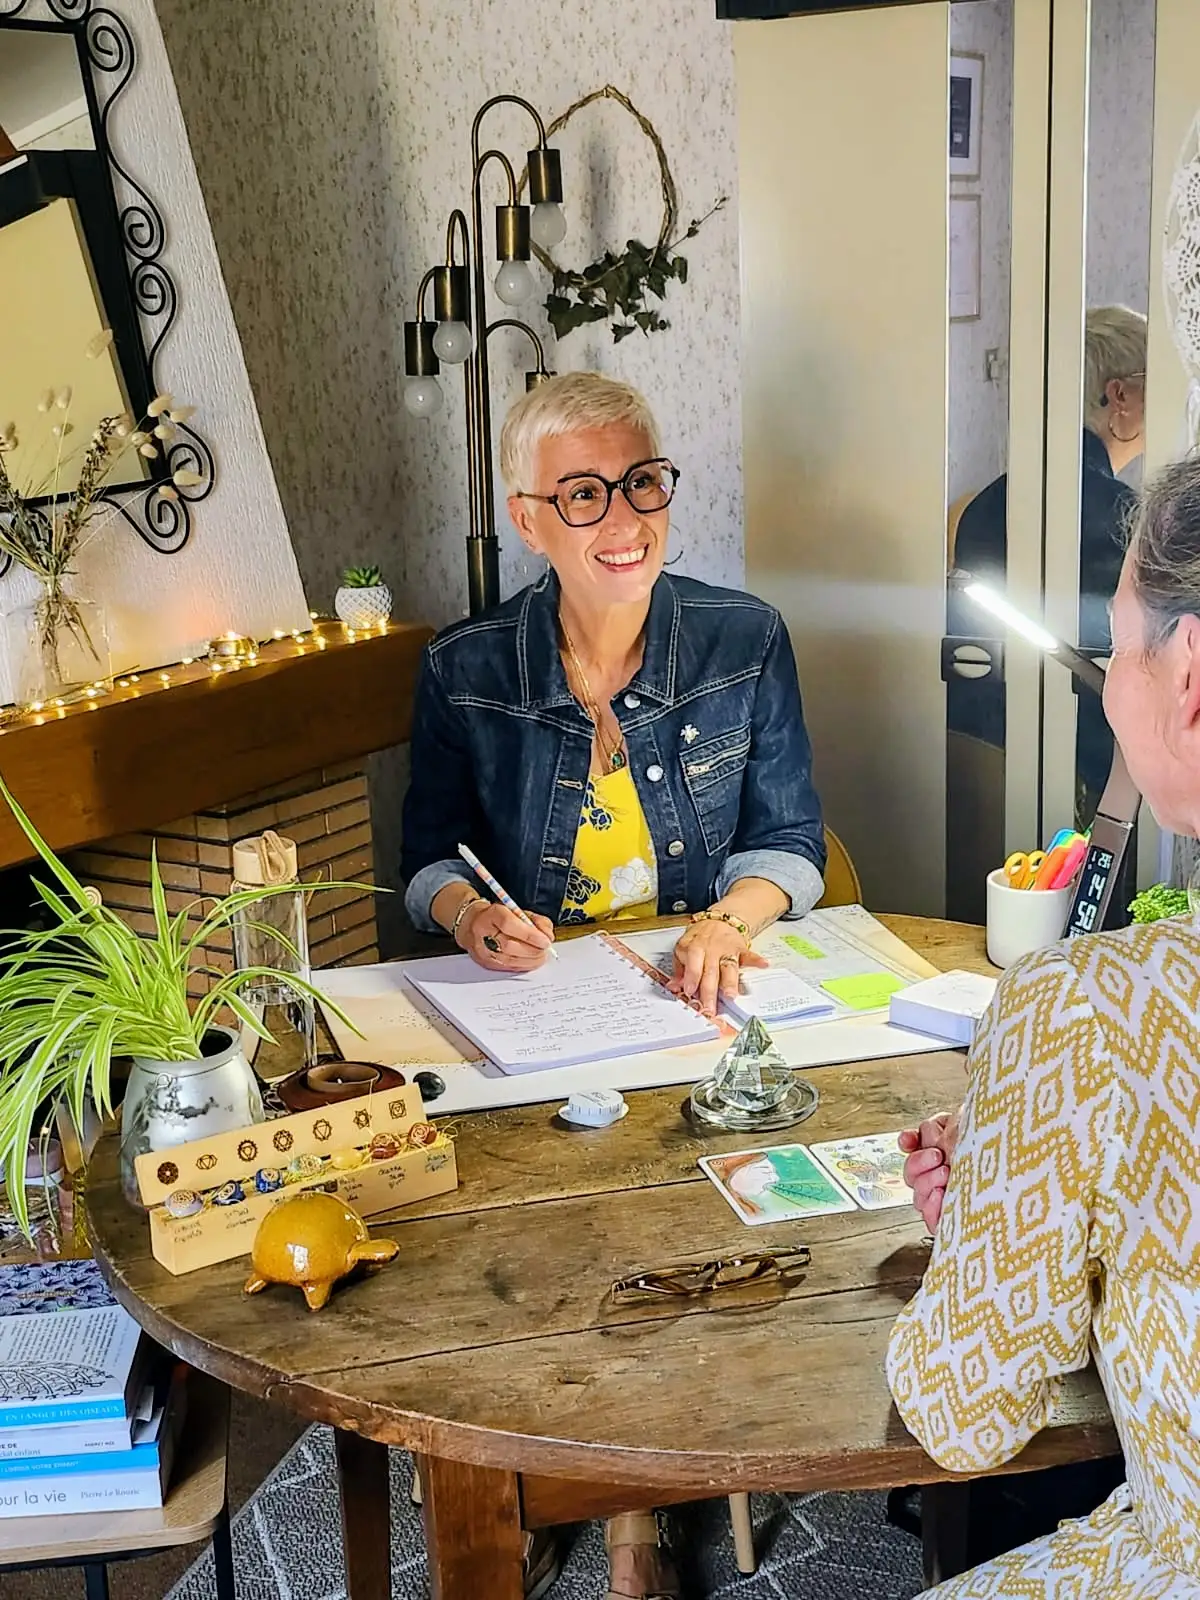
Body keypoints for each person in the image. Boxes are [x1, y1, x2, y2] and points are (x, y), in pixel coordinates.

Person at [401, 370, 826, 1598]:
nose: (623, 518)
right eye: (583, 494)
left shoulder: (744, 638)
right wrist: (472, 911)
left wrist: (725, 923)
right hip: (539, 1013)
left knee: (678, 1192)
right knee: (514, 1223)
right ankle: (535, 1461)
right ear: (530, 520)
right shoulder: (464, 667)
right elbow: (425, 858)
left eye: (641, 481)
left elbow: (791, 843)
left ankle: (633, 1512)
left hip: (695, 1004)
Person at [887, 453, 1200, 1597]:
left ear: (1191, 677)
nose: (1107, 681)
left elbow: (965, 1413)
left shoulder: (1086, 1008)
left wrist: (1001, 1212)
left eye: (1118, 646)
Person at [948, 306, 1147, 841]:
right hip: (1090, 777)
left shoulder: (985, 504)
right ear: (1119, 397)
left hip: (980, 763)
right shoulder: (1128, 516)